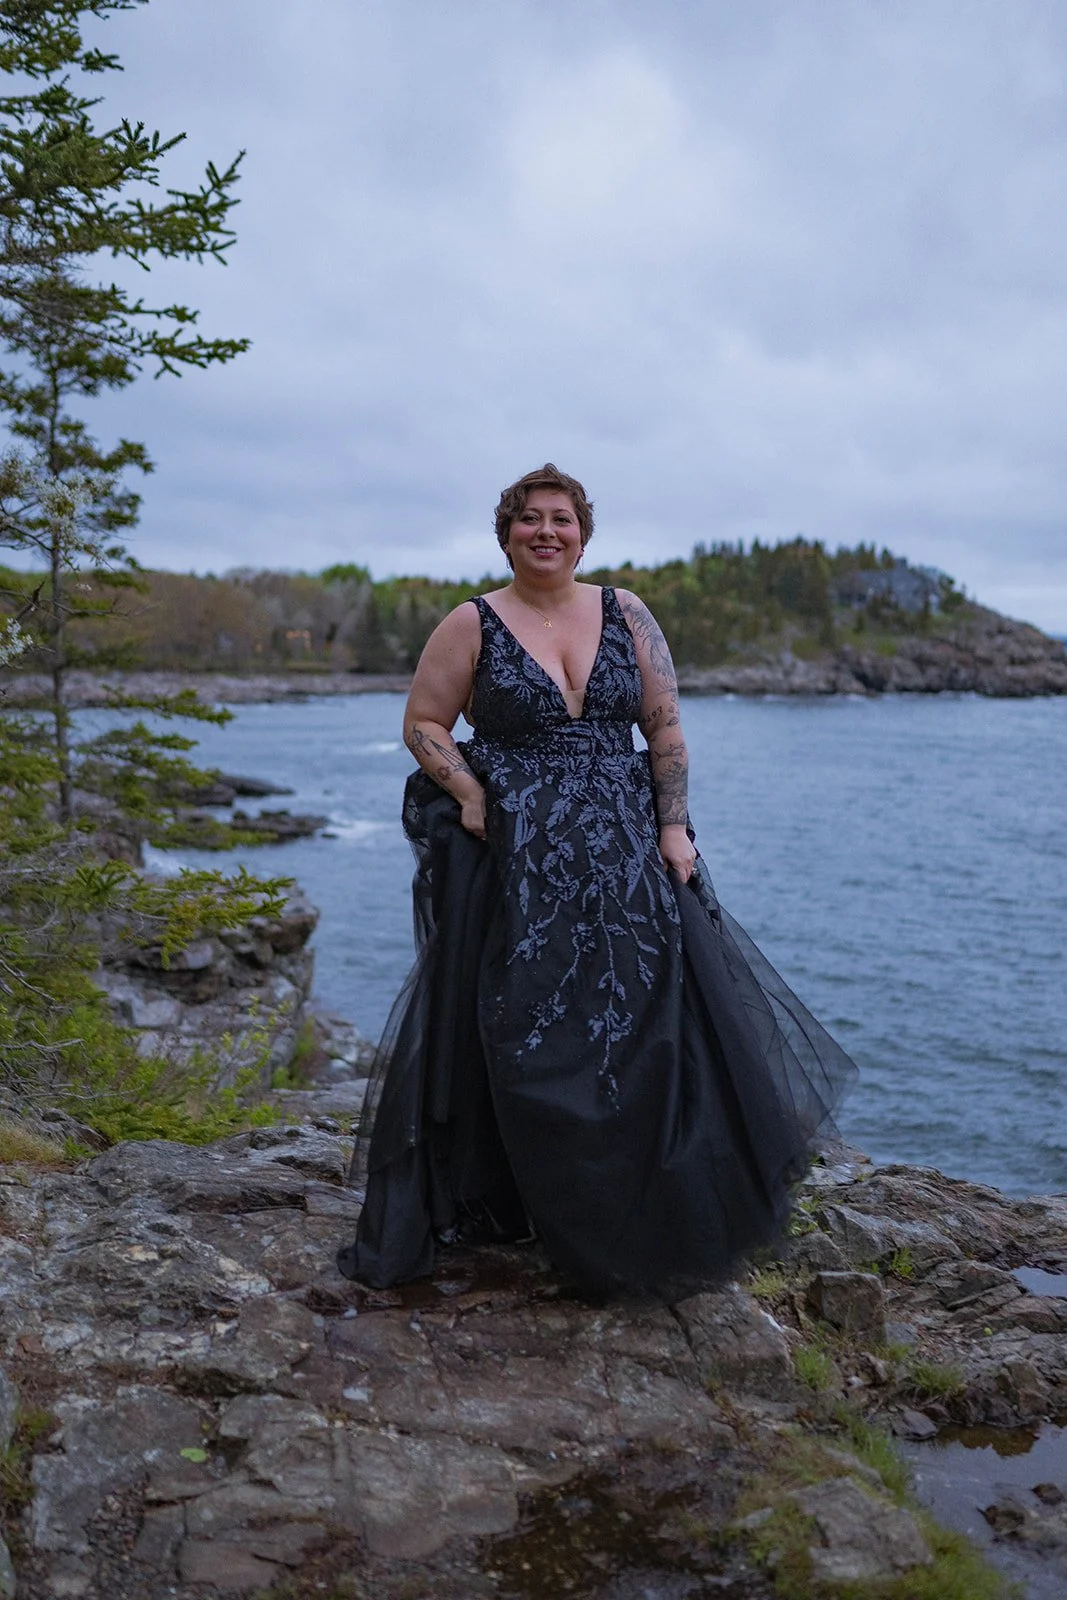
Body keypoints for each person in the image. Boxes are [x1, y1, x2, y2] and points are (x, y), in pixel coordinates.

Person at [337, 464, 857, 1299]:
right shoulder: (470, 622)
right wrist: (469, 794)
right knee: (528, 1021)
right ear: (505, 533)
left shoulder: (627, 612)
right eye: (529, 520)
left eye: (562, 520)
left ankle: (649, 1209)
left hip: (622, 839)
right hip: (520, 845)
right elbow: (422, 723)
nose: (546, 532)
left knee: (646, 1014)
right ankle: (540, 1204)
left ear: (584, 532)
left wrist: (674, 825)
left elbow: (663, 727)